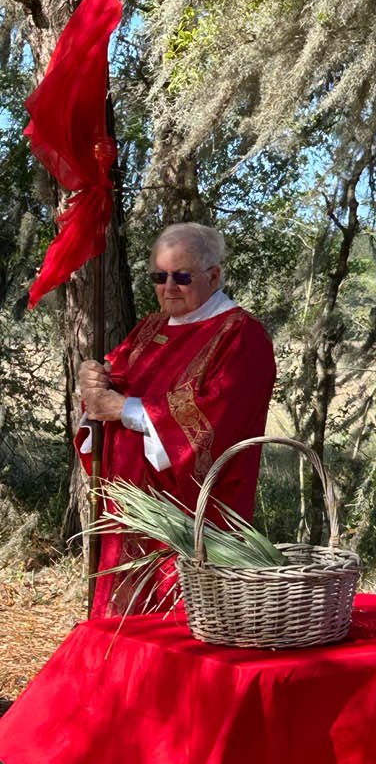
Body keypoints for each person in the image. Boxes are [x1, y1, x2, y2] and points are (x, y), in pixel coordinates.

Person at [78, 222, 277, 617]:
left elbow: (216, 414)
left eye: (182, 277)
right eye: (159, 276)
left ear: (214, 275)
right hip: (129, 508)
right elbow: (112, 379)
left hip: (188, 516)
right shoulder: (151, 328)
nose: (169, 287)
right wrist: (93, 379)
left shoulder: (241, 336)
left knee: (173, 623)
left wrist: (124, 409)